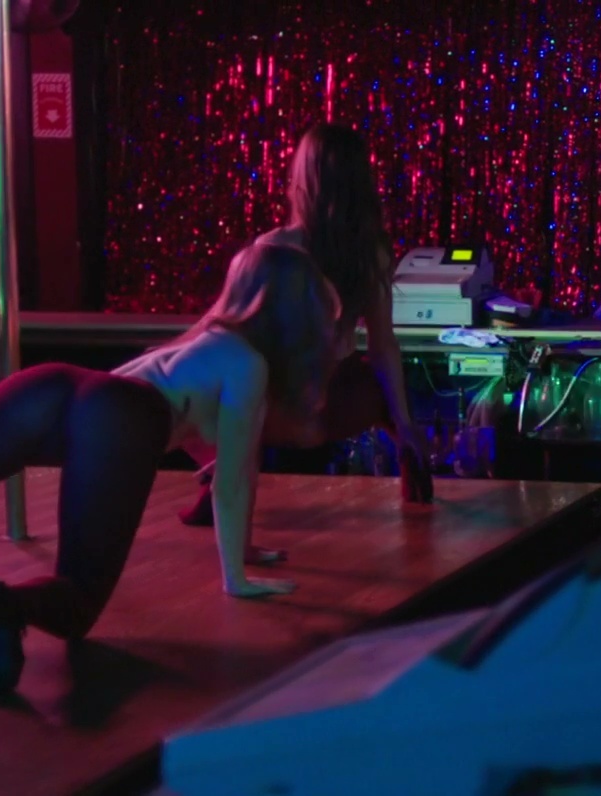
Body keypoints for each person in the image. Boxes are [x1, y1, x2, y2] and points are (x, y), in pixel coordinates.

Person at [0, 243, 332, 694]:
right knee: (78, 602)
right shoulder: (248, 365)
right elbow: (231, 482)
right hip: (117, 415)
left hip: (52, 386)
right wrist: (237, 579)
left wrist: (245, 547)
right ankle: (6, 607)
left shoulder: (199, 342)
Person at [180, 123, 432, 528]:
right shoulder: (372, 252)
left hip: (282, 410)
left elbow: (226, 338)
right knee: (373, 379)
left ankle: (223, 472)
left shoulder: (272, 249)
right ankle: (412, 469)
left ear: (302, 180)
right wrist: (404, 424)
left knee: (198, 381)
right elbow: (383, 347)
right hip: (341, 406)